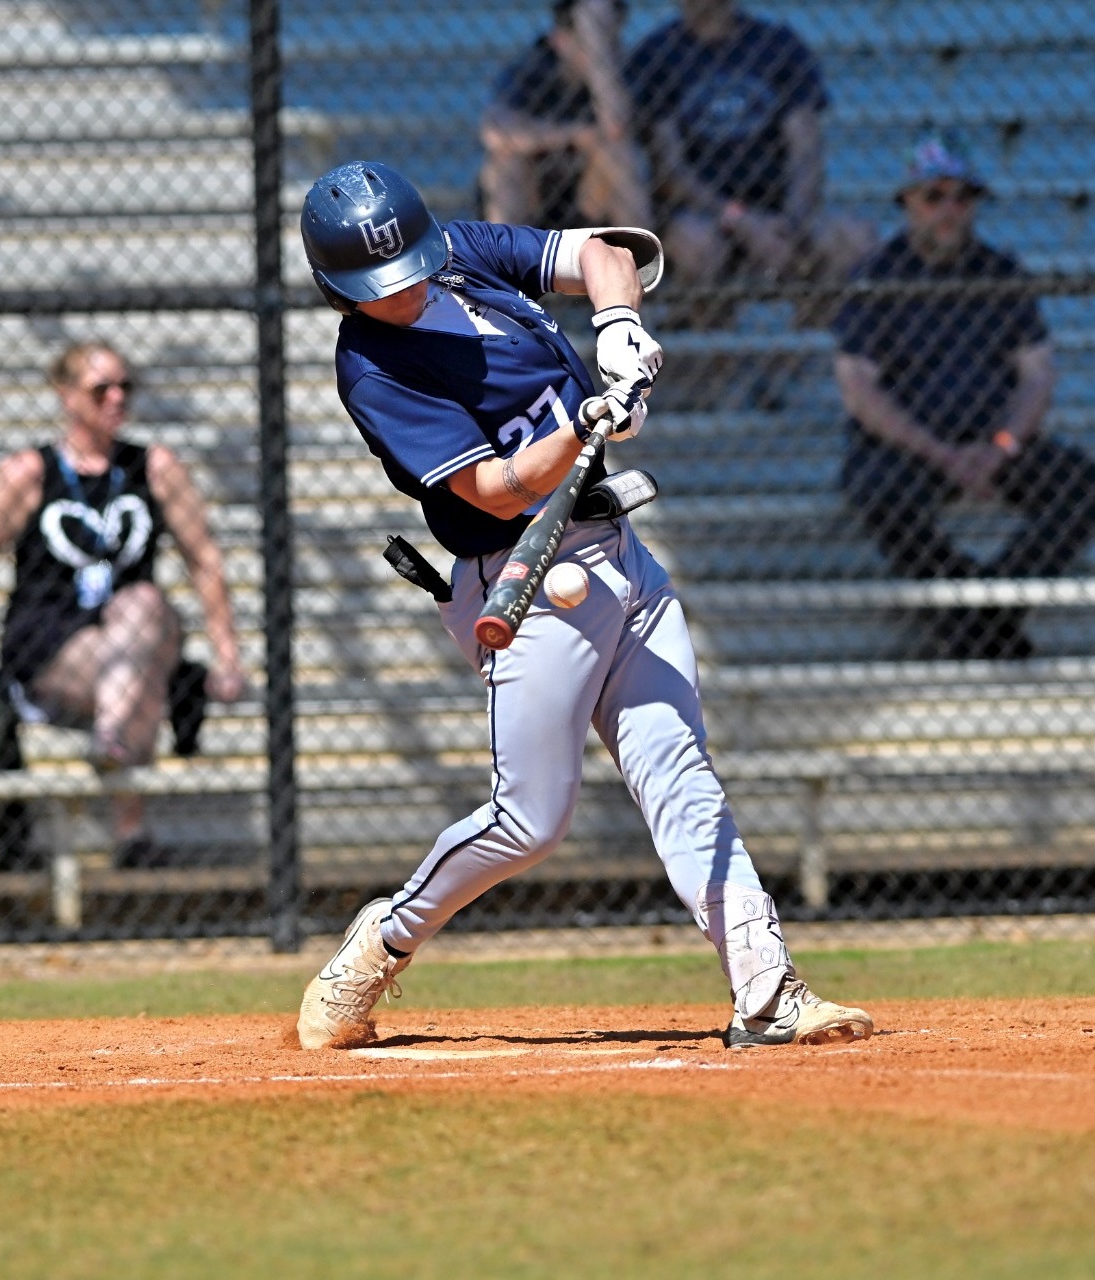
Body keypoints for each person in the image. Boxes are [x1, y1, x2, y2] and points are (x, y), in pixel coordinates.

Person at [293, 159, 872, 1051]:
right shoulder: (373, 368)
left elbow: (605, 253)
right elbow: (495, 487)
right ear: (338, 289)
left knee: (679, 771)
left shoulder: (462, 254)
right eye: (380, 285)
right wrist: (586, 422)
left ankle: (768, 992)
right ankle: (379, 944)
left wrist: (617, 331)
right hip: (525, 585)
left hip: (619, 557)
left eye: (409, 267)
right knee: (528, 820)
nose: (403, 291)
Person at [0, 342, 246, 863]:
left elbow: (205, 560)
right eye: (101, 389)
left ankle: (111, 743)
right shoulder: (29, 474)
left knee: (143, 601)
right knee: (136, 675)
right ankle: (130, 832)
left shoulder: (156, 468)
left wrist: (229, 658)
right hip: (54, 648)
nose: (117, 398)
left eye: (126, 386)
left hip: (138, 635)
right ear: (66, 395)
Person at [833, 134, 1095, 660]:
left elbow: (1037, 374)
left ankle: (982, 616)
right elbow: (858, 387)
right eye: (934, 196)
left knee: (1090, 488)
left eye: (961, 197)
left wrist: (1003, 445)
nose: (949, 210)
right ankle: (981, 619)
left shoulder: (999, 271)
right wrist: (940, 454)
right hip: (910, 447)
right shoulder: (877, 277)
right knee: (876, 492)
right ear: (907, 204)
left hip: (995, 440)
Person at [624, 0, 873, 308]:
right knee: (698, 245)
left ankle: (806, 344)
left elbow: (806, 150)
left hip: (778, 210)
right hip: (701, 213)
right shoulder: (657, 54)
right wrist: (741, 221)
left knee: (854, 238)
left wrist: (791, 224)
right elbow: (671, 173)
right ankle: (709, 347)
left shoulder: (778, 46)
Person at [481, 0, 650, 231]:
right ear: (559, 40)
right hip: (535, 198)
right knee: (507, 162)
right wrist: (574, 136)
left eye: (609, 39)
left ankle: (635, 261)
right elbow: (495, 134)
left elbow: (616, 128)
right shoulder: (532, 69)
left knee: (621, 154)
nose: (601, 50)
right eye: (585, 40)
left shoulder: (616, 76)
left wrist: (599, 52)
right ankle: (502, 259)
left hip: (589, 202)